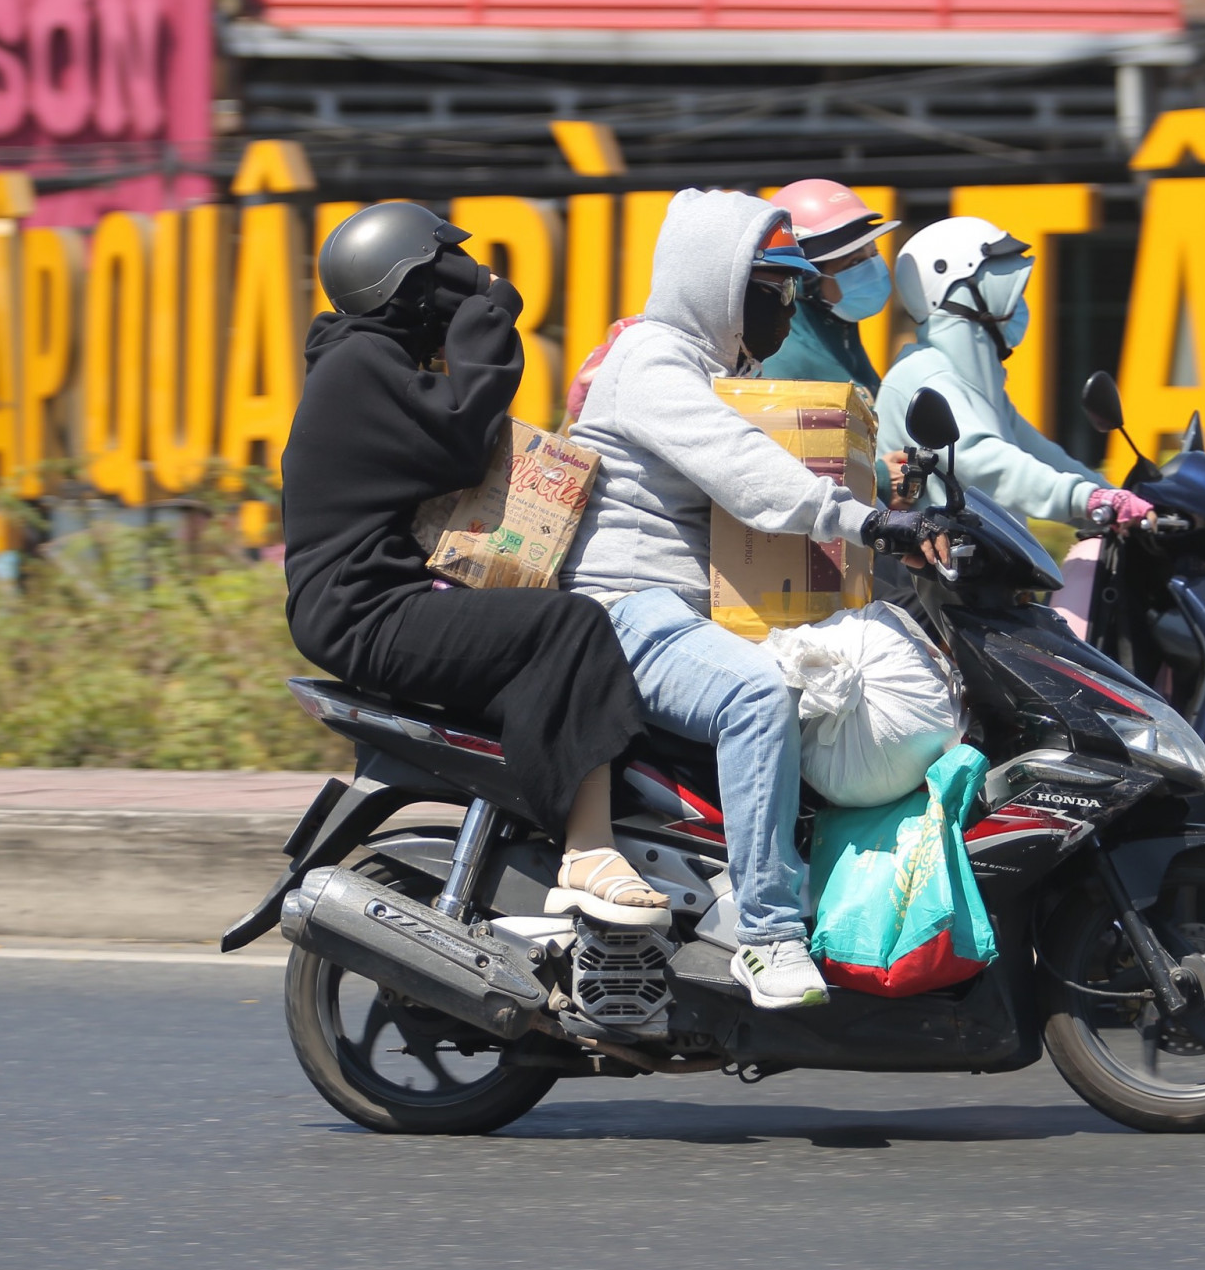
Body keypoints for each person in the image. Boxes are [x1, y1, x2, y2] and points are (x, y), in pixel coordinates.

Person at [559, 188, 941, 1008]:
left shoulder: (724, 370)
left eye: (793, 286)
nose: (784, 302)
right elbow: (742, 468)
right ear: (717, 280)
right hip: (626, 607)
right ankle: (767, 937)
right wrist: (863, 521)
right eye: (770, 284)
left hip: (685, 608)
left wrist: (892, 492)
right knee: (758, 695)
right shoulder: (654, 360)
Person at [280, 202, 667, 926]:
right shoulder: (359, 365)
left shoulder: (370, 361)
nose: (471, 277)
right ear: (410, 283)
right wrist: (489, 316)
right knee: (567, 627)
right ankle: (587, 850)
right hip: (366, 609)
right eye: (449, 266)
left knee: (547, 636)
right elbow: (464, 433)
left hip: (377, 598)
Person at [876, 216, 1155, 635]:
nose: (1020, 303)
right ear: (964, 288)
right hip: (936, 589)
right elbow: (987, 461)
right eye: (1005, 284)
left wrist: (1109, 493)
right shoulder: (926, 374)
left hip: (987, 580)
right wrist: (1087, 498)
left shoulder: (973, 380)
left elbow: (1037, 452)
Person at [760, 179, 900, 394]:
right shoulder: (783, 371)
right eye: (852, 262)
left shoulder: (844, 346)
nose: (871, 270)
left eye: (873, 254)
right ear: (803, 278)